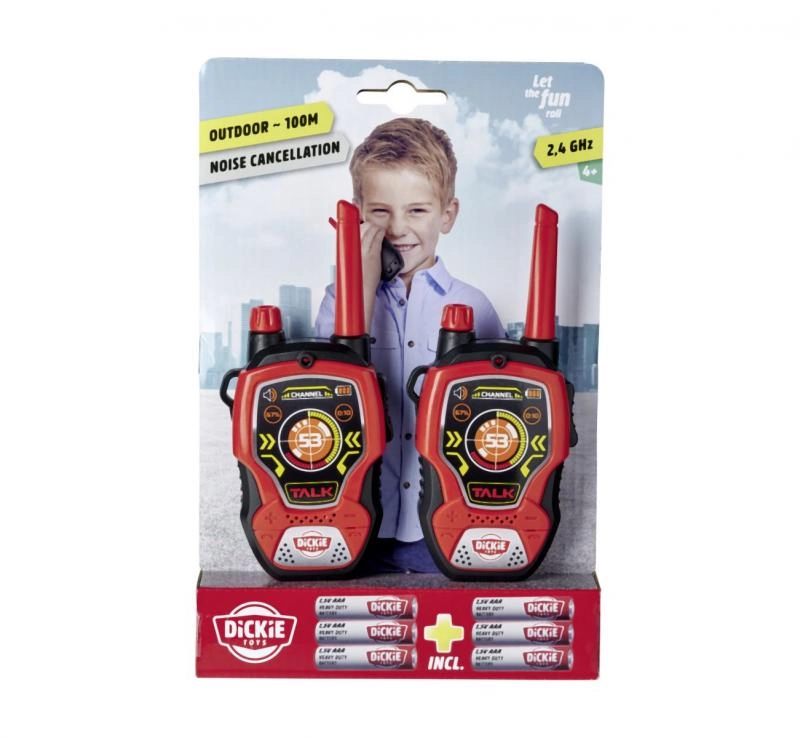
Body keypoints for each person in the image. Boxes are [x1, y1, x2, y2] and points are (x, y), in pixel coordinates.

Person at [314, 117, 505, 573]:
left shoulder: (474, 305)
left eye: (417, 210)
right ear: (358, 214)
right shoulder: (339, 301)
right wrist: (360, 288)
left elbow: (503, 414)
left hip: (447, 523)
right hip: (354, 521)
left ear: (447, 215)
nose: (398, 229)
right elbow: (326, 397)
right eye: (381, 212)